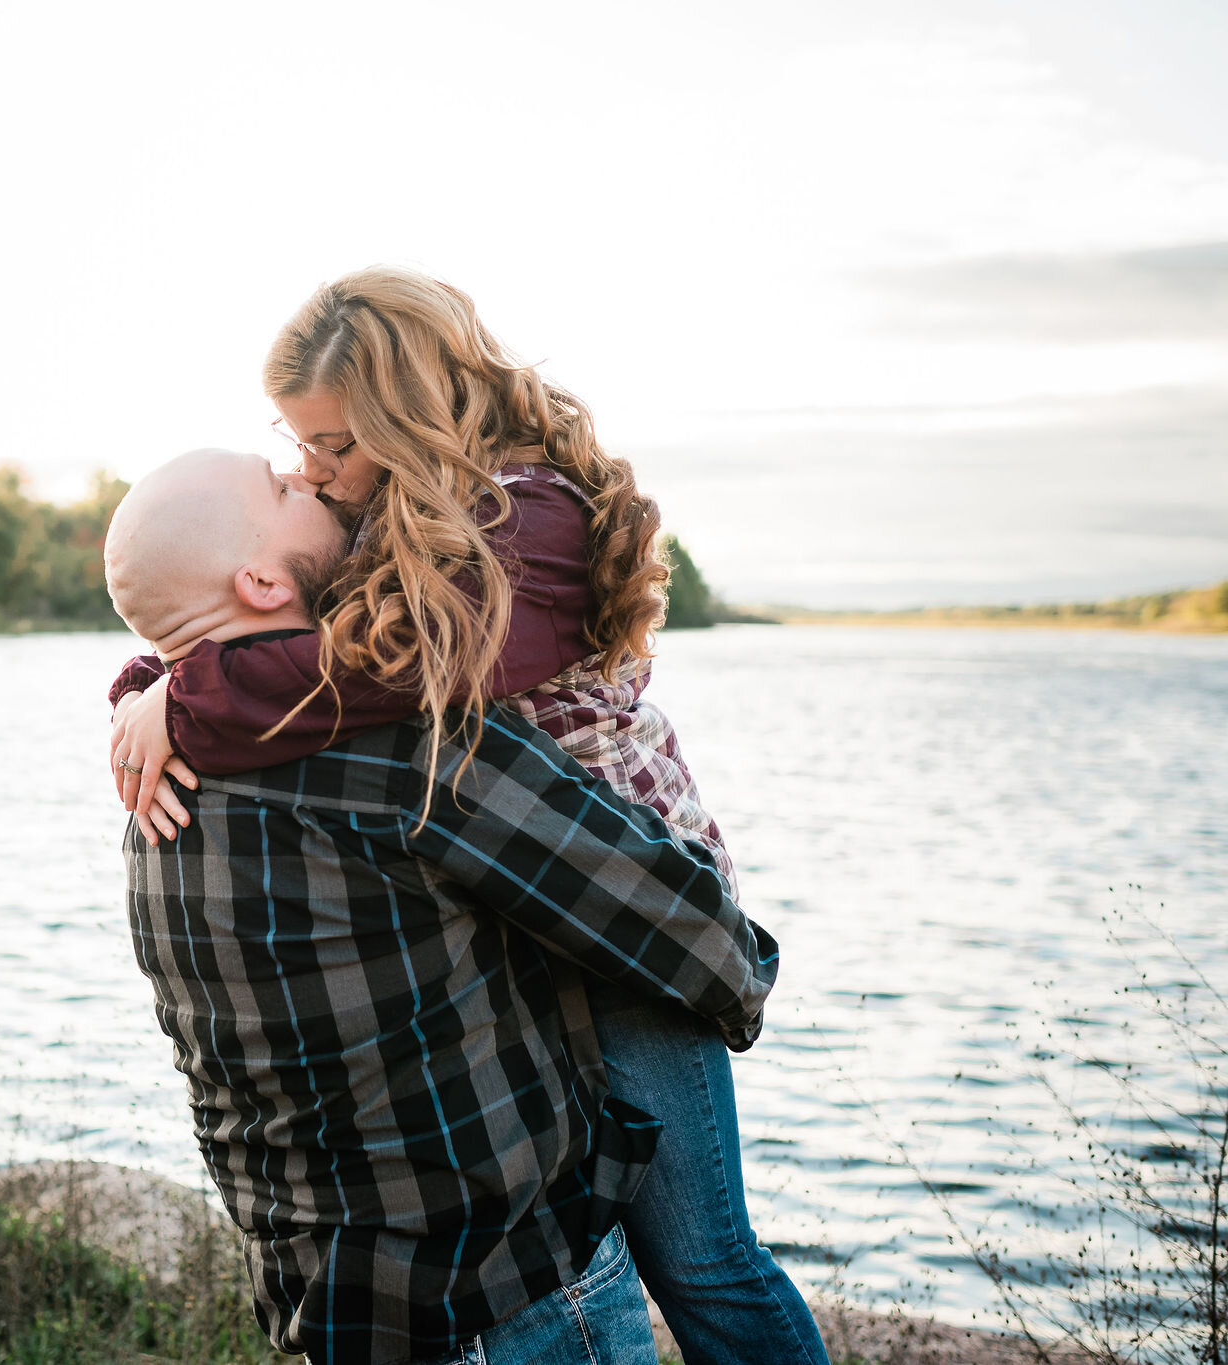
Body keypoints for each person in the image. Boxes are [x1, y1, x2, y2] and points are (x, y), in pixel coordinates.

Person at [108, 269, 829, 1365]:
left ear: (410, 416)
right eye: (294, 447)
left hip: (622, 896)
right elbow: (268, 627)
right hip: (517, 891)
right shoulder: (382, 513)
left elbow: (400, 670)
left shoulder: (527, 521)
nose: (313, 470)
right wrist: (152, 682)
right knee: (610, 1227)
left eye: (332, 444)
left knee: (696, 1255)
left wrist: (185, 695)